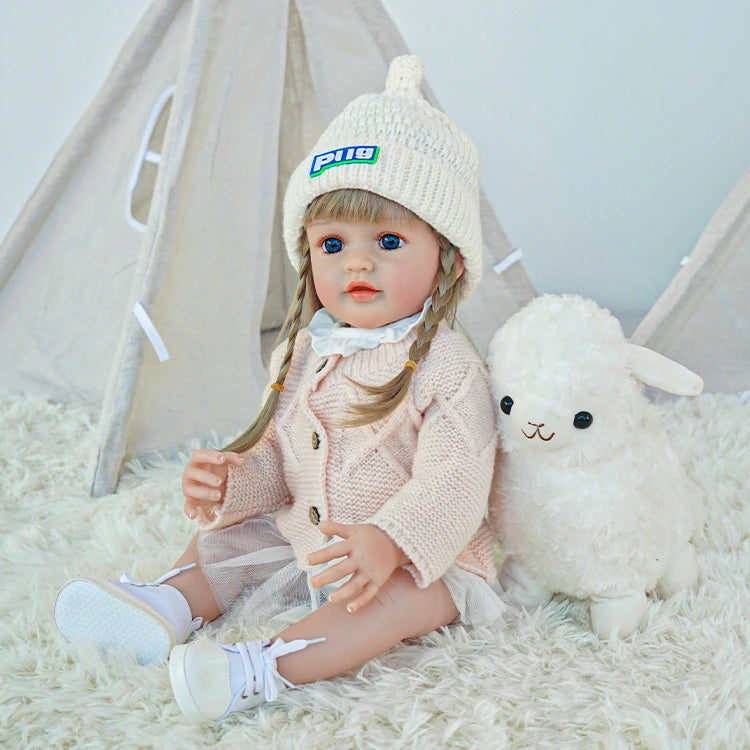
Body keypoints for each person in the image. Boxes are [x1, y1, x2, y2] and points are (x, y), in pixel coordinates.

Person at [54, 55, 503, 722]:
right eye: (331, 243)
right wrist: (236, 481)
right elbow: (282, 458)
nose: (356, 261)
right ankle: (168, 602)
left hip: (421, 555)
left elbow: (455, 486)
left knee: (389, 603)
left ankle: (261, 667)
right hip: (310, 533)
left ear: (448, 259)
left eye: (386, 239)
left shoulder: (449, 366)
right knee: (231, 538)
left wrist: (389, 540)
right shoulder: (307, 350)